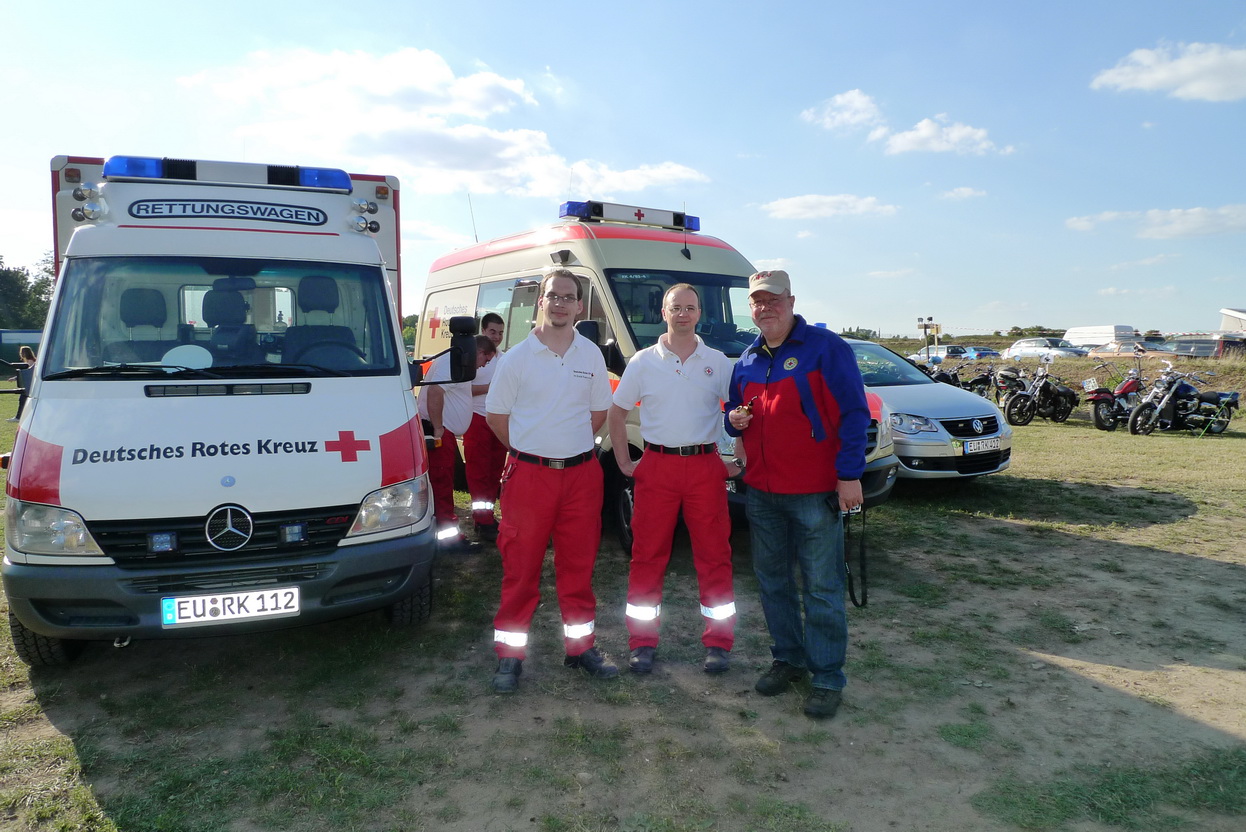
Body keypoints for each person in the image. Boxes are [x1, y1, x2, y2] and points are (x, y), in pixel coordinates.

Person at [725, 270, 869, 720]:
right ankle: (787, 658)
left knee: (822, 587)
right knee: (773, 582)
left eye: (773, 299)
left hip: (814, 492)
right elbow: (733, 409)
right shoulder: (748, 358)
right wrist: (734, 420)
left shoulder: (826, 348)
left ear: (791, 301)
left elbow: (854, 413)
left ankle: (826, 677)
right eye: (757, 301)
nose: (765, 307)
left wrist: (849, 475)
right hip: (762, 492)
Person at [485, 268, 617, 693]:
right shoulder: (516, 358)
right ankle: (509, 656)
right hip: (530, 477)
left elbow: (598, 413)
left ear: (579, 306)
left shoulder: (590, 355)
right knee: (520, 568)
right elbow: (496, 417)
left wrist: (568, 446)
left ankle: (581, 648)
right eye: (553, 296)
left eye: (568, 297)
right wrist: (530, 449)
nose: (560, 303)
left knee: (578, 566)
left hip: (581, 475)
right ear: (540, 302)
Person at [607, 284, 738, 675]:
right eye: (675, 307)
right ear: (663, 312)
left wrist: (740, 458)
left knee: (715, 555)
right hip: (658, 466)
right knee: (647, 555)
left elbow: (739, 413)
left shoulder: (718, 361)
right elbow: (617, 413)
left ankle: (719, 643)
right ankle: (642, 643)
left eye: (690, 308)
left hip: (704, 466)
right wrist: (624, 461)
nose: (683, 314)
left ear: (699, 313)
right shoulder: (644, 361)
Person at [417, 335, 496, 554]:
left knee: (443, 483)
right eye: (486, 360)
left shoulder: (458, 364)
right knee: (442, 485)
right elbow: (435, 391)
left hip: (445, 431)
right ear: (479, 352)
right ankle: (449, 541)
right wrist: (438, 427)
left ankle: (444, 535)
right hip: (441, 432)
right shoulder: (453, 363)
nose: (483, 366)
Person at [463, 312, 508, 541]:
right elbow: (461, 390)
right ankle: (481, 519)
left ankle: (487, 516)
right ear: (483, 331)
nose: (497, 337)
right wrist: (491, 387)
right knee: (478, 471)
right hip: (477, 418)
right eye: (492, 331)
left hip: (499, 420)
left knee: (495, 471)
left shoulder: (505, 358)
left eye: (500, 333)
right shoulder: (473, 358)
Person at [8, 346, 36, 423]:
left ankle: (18, 417)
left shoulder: (30, 362)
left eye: (21, 352)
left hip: (29, 386)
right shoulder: (30, 361)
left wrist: (15, 378)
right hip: (29, 386)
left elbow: (28, 374)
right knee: (23, 401)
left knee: (23, 400)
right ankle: (20, 417)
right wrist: (15, 378)